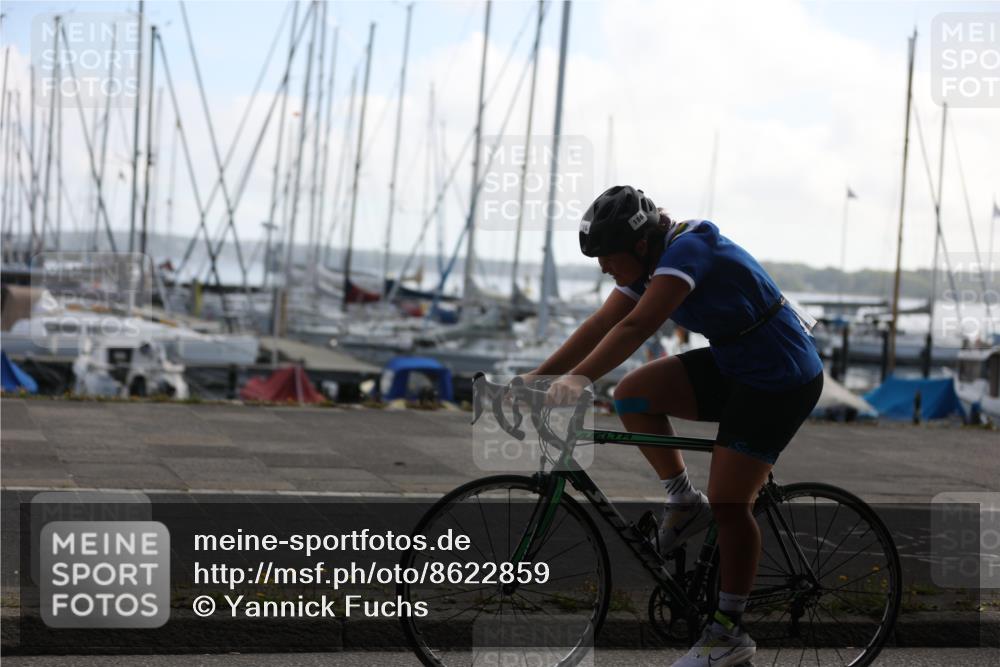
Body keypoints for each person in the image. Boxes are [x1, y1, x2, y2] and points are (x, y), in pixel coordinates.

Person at [522, 185, 824, 667]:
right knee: (633, 395)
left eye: (608, 257)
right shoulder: (644, 264)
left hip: (779, 376)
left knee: (730, 503)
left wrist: (579, 379)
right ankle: (683, 500)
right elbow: (600, 324)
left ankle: (728, 633)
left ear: (641, 245)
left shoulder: (689, 248)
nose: (603, 267)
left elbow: (636, 327)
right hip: (735, 363)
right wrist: (538, 378)